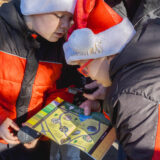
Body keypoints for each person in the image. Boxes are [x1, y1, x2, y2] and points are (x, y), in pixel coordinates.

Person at [64, 0, 160, 159]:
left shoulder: (132, 95)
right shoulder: (144, 65)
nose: (87, 75)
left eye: (84, 67)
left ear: (105, 54)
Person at [0, 0, 84, 159]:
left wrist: (42, 125)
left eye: (70, 18)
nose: (66, 25)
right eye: (60, 16)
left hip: (34, 142)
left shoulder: (62, 45)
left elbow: (63, 90)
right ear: (35, 8)